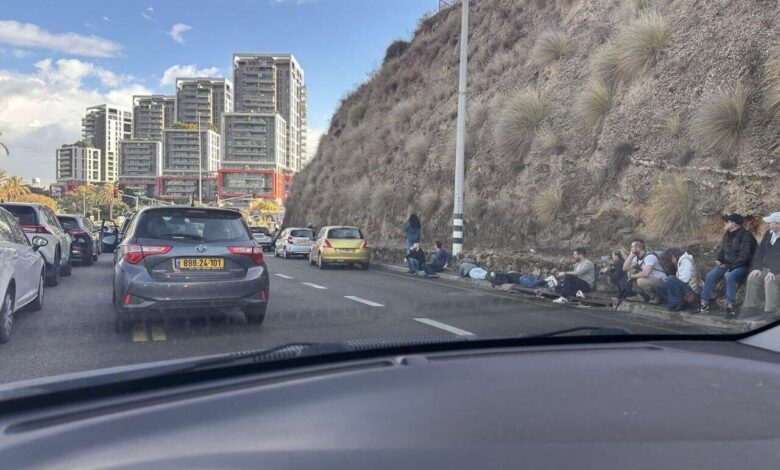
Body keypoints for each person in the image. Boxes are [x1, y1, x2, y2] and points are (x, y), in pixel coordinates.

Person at [697, 213, 757, 316]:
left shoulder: (746, 235)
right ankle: (704, 304)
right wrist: (719, 260)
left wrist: (730, 268)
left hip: (743, 266)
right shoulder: (727, 234)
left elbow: (745, 256)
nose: (725, 223)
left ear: (734, 223)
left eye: (728, 222)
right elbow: (723, 250)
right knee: (710, 275)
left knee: (730, 276)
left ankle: (730, 307)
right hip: (728, 265)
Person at [741, 212, 780, 319]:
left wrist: (774, 271)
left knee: (770, 280)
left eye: (771, 222)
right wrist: (757, 267)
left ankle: (770, 311)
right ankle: (750, 307)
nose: (768, 224)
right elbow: (760, 251)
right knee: (752, 277)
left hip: (777, 270)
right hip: (766, 268)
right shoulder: (769, 233)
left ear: (778, 224)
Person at [623, 239, 667, 303]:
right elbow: (625, 268)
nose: (631, 249)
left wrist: (632, 276)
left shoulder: (649, 257)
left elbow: (646, 273)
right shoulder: (637, 257)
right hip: (651, 278)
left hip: (660, 279)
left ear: (638, 248)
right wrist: (630, 256)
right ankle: (640, 296)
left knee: (640, 281)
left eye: (632, 247)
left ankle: (656, 297)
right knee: (630, 271)